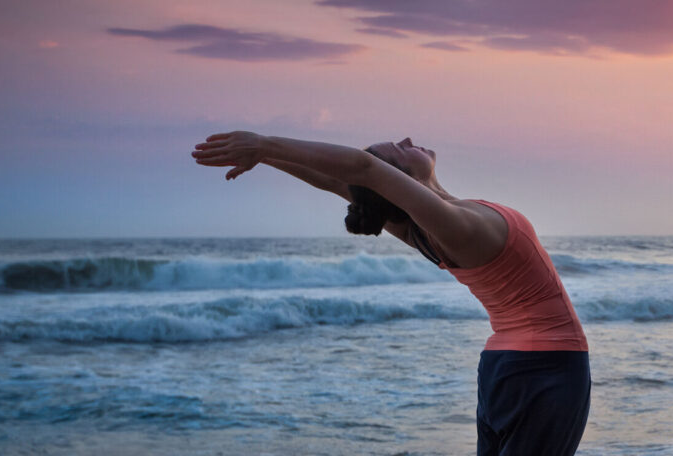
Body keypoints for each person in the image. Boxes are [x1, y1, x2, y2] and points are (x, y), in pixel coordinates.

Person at [191, 131, 590, 455]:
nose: (406, 139)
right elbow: (362, 170)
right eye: (398, 150)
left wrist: (268, 159)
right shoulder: (452, 227)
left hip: (507, 365)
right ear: (398, 179)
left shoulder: (425, 228)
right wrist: (264, 145)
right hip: (546, 367)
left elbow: (338, 183)